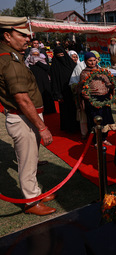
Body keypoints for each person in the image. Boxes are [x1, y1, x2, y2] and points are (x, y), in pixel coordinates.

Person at [0, 16, 56, 215]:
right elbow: (22, 99)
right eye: (22, 34)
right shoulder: (11, 61)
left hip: (26, 117)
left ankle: (35, 193)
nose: (28, 38)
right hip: (23, 118)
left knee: (31, 159)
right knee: (26, 161)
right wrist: (41, 127)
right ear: (7, 36)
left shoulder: (14, 56)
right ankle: (31, 202)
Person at [78, 52, 116, 146]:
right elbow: (82, 88)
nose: (92, 62)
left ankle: (104, 138)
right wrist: (86, 96)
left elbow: (108, 83)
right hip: (93, 99)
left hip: (104, 98)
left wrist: (112, 86)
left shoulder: (102, 71)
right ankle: (96, 141)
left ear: (97, 60)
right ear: (86, 61)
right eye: (90, 61)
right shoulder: (84, 73)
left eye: (94, 60)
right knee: (95, 120)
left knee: (106, 119)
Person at [50, 46, 78, 133]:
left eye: (62, 54)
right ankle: (67, 127)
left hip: (72, 90)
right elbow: (54, 81)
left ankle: (76, 127)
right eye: (58, 55)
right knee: (65, 110)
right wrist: (57, 94)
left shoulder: (71, 63)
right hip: (62, 91)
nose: (61, 56)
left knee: (75, 109)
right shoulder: (54, 66)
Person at [26, 48, 56, 114]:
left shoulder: (42, 61)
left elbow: (47, 68)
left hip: (45, 82)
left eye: (37, 55)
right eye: (34, 54)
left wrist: (38, 62)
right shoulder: (28, 62)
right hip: (35, 82)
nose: (36, 56)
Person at [68, 50, 87, 139]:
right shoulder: (80, 68)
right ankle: (84, 133)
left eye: (95, 60)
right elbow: (74, 83)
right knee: (83, 115)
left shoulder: (97, 67)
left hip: (93, 97)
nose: (93, 62)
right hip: (82, 95)